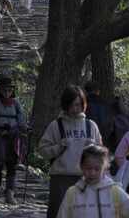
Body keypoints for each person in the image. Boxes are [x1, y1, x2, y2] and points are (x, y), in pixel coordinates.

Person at [38, 85, 103, 218]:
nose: (75, 109)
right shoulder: (56, 125)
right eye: (72, 105)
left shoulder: (90, 126)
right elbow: (43, 150)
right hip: (60, 179)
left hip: (85, 179)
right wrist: (58, 147)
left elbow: (101, 154)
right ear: (65, 105)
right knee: (58, 214)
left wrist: (93, 150)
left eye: (78, 105)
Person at [57, 144, 129, 218]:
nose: (92, 173)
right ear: (81, 166)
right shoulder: (72, 193)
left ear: (105, 168)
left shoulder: (115, 192)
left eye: (97, 169)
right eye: (88, 168)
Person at [0, 76, 26, 204]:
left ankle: (10, 193)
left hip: (13, 137)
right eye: (5, 90)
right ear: (0, 90)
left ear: (12, 90)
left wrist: (24, 126)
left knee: (12, 165)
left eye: (9, 90)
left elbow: (21, 119)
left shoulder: (16, 103)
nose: (7, 93)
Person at [84, 81, 114, 149]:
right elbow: (110, 124)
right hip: (103, 140)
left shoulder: (82, 104)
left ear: (85, 91)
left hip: (86, 140)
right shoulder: (106, 104)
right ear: (98, 91)